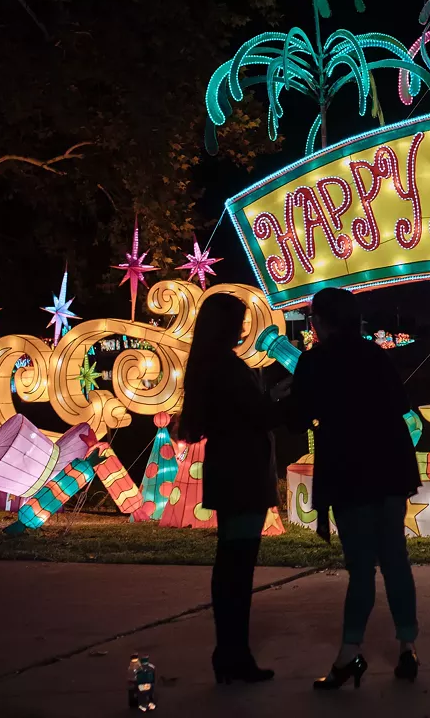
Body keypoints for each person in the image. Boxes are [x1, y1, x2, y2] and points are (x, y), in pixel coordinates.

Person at [291, 285, 422, 689]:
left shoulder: (314, 362)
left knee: (360, 568)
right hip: (389, 465)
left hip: (349, 471)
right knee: (395, 559)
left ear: (319, 321)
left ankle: (350, 654)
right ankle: (407, 648)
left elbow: (301, 413)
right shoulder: (375, 357)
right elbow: (401, 406)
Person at [175, 293, 286, 685]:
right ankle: (233, 655)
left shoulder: (211, 366)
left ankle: (231, 653)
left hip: (231, 471)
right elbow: (258, 415)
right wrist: (289, 395)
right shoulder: (226, 368)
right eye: (238, 322)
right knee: (237, 567)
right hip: (243, 474)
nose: (243, 329)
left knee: (233, 564)